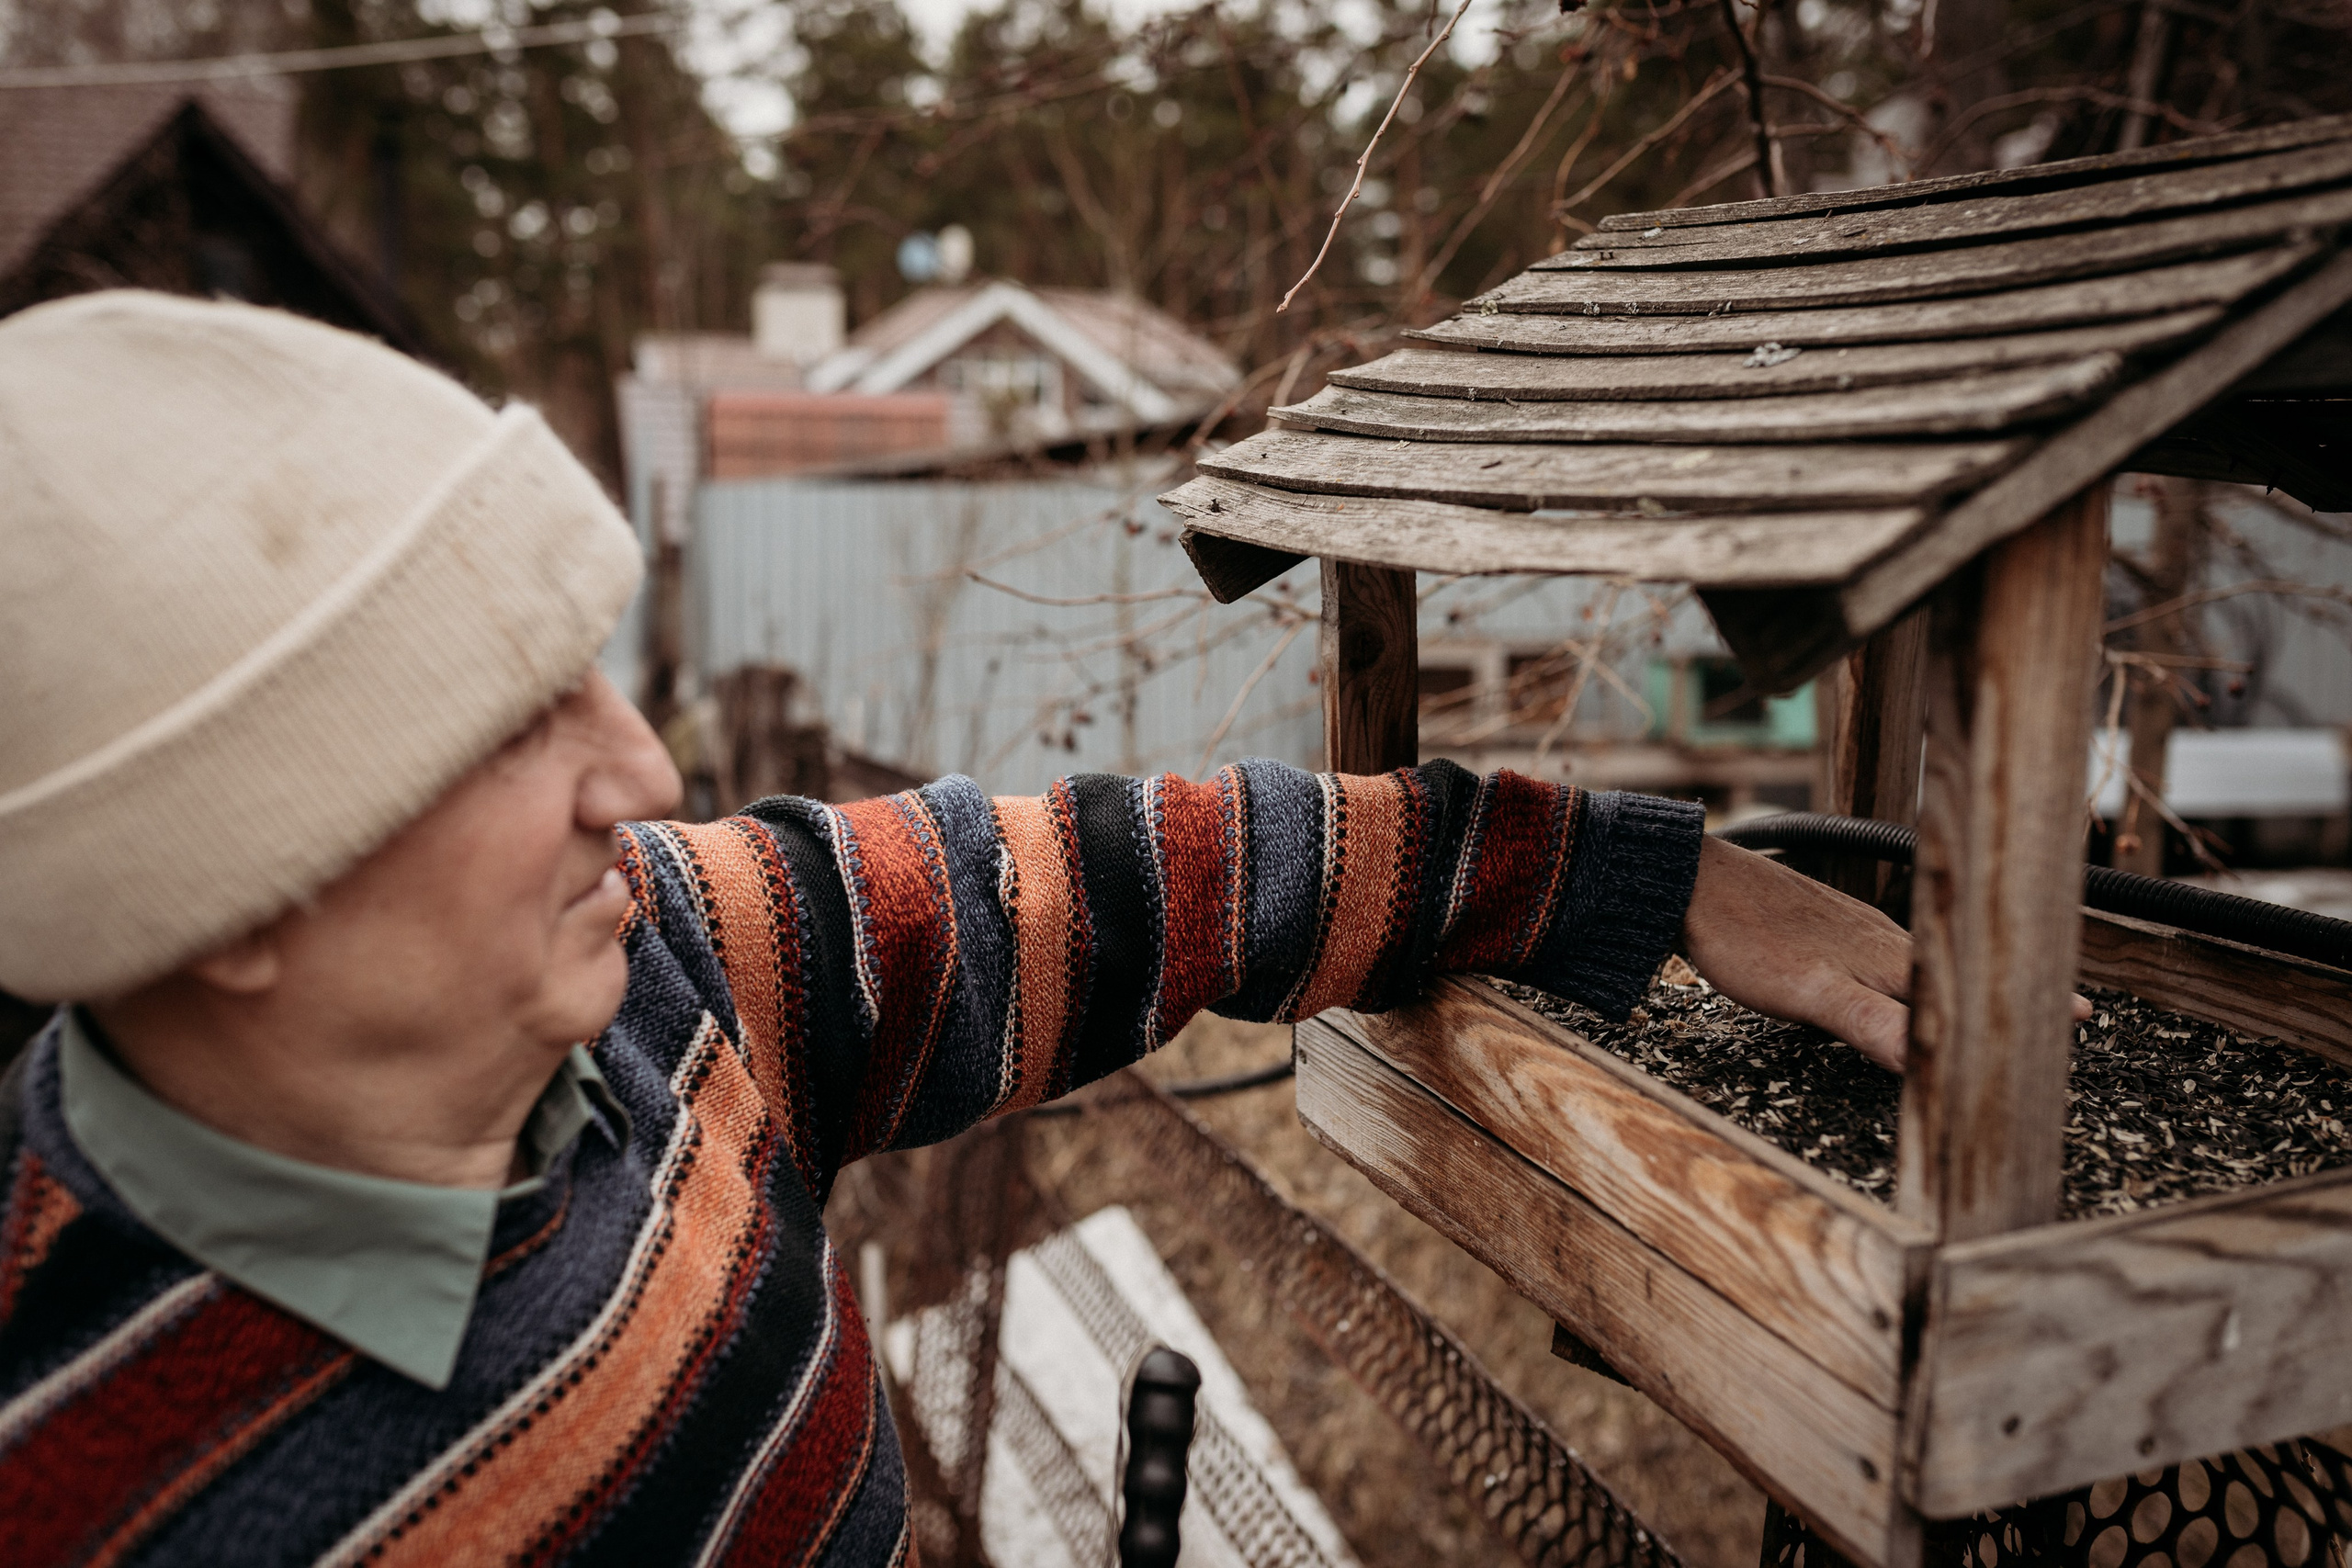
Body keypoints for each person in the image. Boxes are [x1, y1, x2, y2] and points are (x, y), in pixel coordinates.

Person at [0, 293, 1912, 1566]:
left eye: (590, 675)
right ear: (232, 894)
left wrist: (1654, 880)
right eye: (505, 722)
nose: (643, 770)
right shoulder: (101, 1489)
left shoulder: (662, 976)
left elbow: (1110, 877)